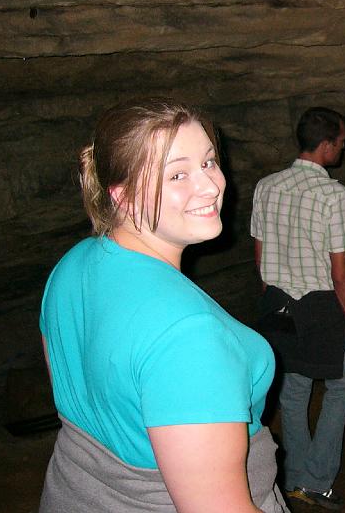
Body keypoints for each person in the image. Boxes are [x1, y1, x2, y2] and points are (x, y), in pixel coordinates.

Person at [39, 99, 287, 512]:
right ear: (123, 195)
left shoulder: (72, 266)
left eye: (209, 162)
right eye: (177, 174)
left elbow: (91, 400)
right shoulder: (191, 337)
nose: (211, 186)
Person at [251, 107, 345, 510]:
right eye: (343, 140)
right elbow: (341, 273)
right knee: (343, 386)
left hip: (278, 303)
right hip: (323, 306)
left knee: (293, 394)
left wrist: (275, 300)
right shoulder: (335, 195)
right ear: (327, 143)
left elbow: (260, 262)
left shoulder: (267, 186)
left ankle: (297, 476)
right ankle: (314, 480)